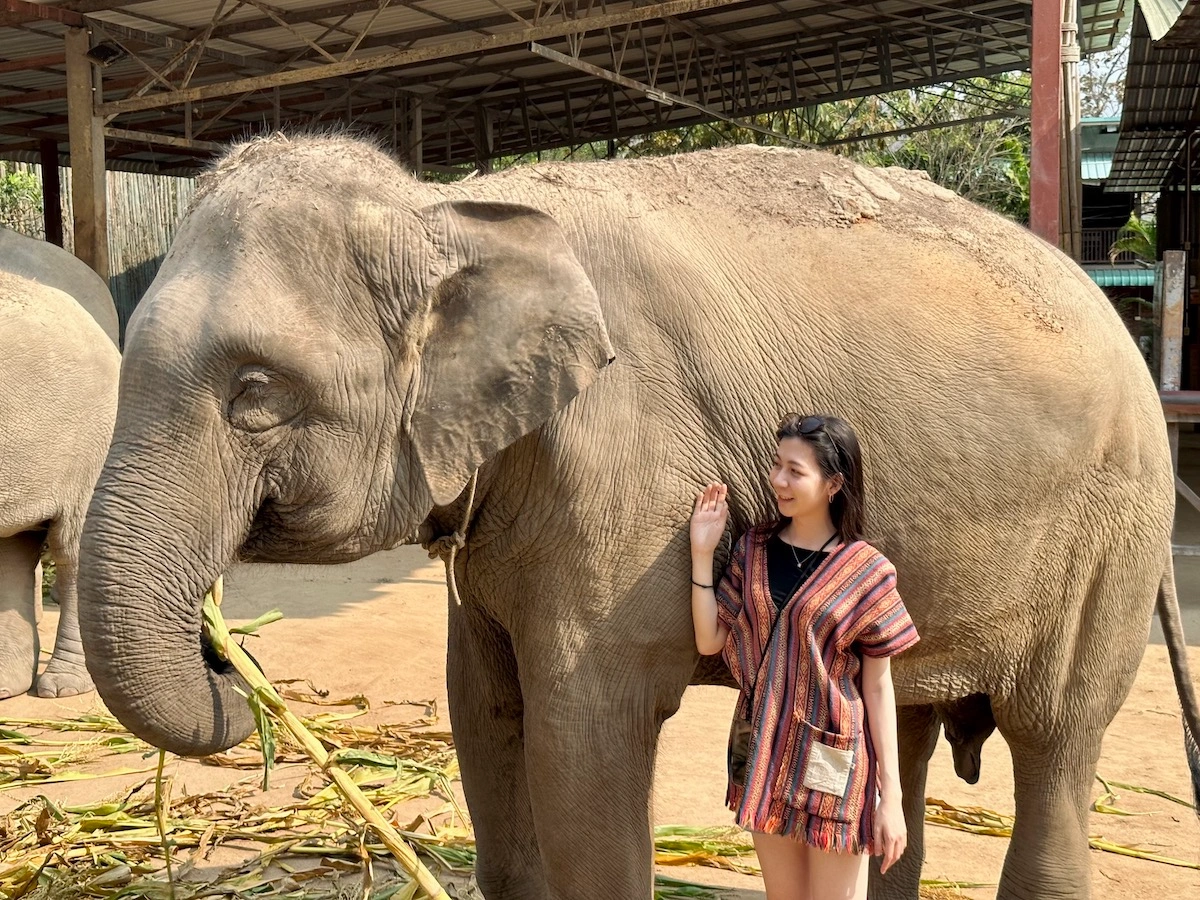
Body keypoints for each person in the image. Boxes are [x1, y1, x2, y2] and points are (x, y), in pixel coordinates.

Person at [689, 413, 919, 900]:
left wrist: (891, 798)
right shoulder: (753, 549)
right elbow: (711, 640)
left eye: (795, 471)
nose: (778, 481)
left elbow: (878, 687)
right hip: (763, 749)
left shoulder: (867, 571)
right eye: (777, 466)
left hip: (832, 758)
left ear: (834, 483)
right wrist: (703, 553)